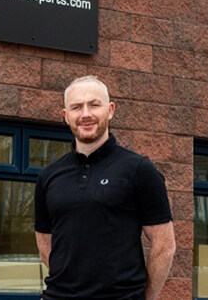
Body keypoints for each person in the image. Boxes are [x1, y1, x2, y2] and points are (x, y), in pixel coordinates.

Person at [34, 76, 176, 300]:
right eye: (76, 107)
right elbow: (45, 243)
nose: (85, 114)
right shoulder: (49, 176)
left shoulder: (139, 170)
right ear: (65, 116)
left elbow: (164, 245)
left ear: (110, 110)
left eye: (94, 104)